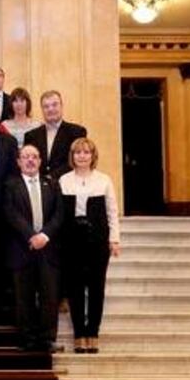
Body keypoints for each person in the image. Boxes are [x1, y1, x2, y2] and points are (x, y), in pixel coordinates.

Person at [59, 137, 121, 354]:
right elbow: (59, 214)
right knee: (75, 288)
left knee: (96, 288)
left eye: (86, 152)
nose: (82, 156)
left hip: (97, 240)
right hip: (72, 240)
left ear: (93, 156)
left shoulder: (104, 180)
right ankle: (79, 334)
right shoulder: (64, 180)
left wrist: (114, 239)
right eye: (78, 152)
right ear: (72, 156)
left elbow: (112, 211)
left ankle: (93, 333)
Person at [4, 144, 63, 352]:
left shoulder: (52, 184)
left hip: (48, 249)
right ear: (18, 162)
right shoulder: (10, 185)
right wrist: (31, 235)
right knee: (24, 296)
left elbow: (59, 214)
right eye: (26, 157)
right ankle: (27, 338)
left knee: (50, 296)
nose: (30, 160)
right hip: (22, 248)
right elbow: (10, 213)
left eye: (34, 157)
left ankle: (47, 338)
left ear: (40, 161)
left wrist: (44, 235)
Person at [25, 90, 87, 181]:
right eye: (46, 106)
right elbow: (28, 162)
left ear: (61, 106)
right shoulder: (31, 135)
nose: (50, 109)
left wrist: (51, 177)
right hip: (39, 185)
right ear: (42, 110)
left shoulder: (77, 132)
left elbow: (76, 160)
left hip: (67, 183)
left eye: (54, 105)